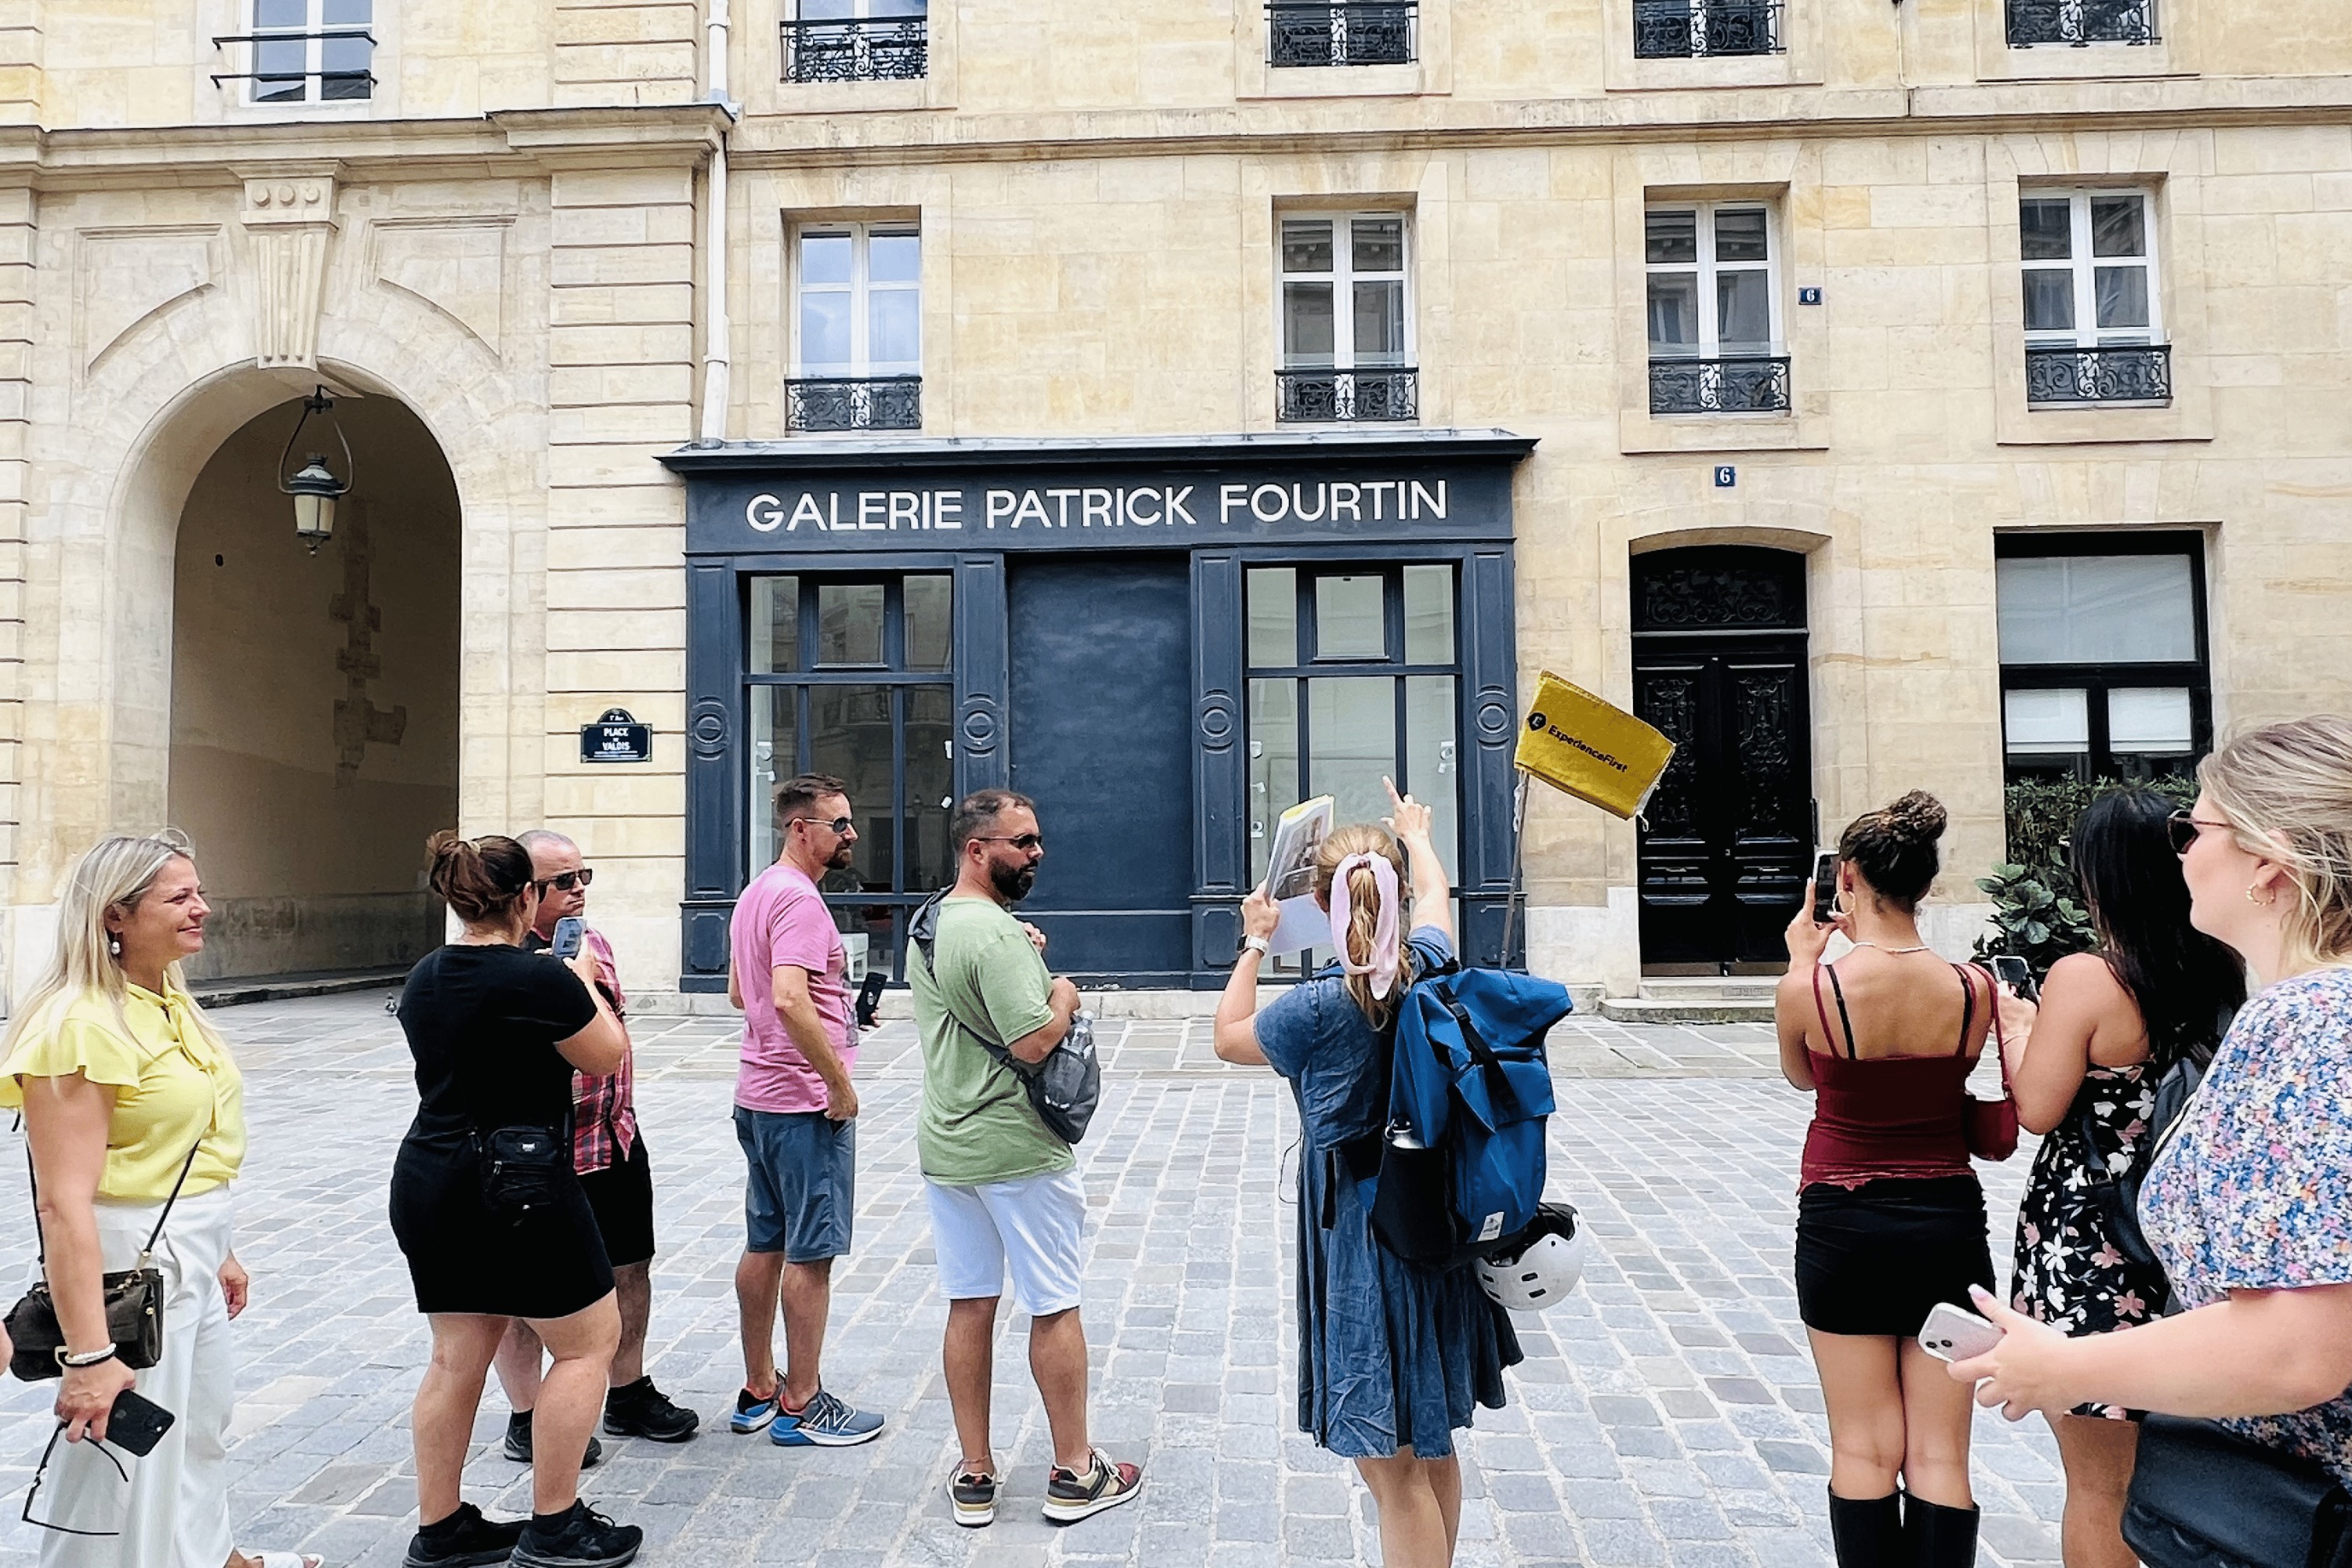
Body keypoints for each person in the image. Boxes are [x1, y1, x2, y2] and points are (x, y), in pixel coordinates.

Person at [1958, 717, 2352, 1497]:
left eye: (2192, 828)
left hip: (2311, 1495)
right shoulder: (2272, 998)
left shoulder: (2309, 1018)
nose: (2181, 853)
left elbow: (2300, 1345)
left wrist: (2063, 1363)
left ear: (2268, 862)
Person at [1210, 779, 1519, 1568]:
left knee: (1392, 1465)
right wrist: (1415, 833)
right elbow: (1441, 904)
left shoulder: (1315, 1007)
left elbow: (1227, 1036)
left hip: (1361, 1236)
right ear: (1399, 894)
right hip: (1433, 1224)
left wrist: (1254, 939)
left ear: (1321, 901)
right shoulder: (1435, 967)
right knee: (1434, 1441)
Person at [0, 833, 314, 1568]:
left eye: (198, 891)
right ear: (116, 915)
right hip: (127, 1253)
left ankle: (208, 1556)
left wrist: (219, 1247)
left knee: (196, 1425)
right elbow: (63, 1205)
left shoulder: (164, 998)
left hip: (185, 1246)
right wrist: (90, 1355)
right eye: (180, 897)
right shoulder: (80, 1021)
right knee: (123, 1455)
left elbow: (186, 1144)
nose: (203, 908)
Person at [1996, 788, 2244, 1568]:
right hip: (2190, 1233)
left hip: (2090, 1237)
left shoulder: (2088, 977)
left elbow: (2035, 1107)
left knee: (2100, 1486)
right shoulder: (2229, 966)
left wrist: (2019, 1029)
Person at [387, 832, 641, 1568]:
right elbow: (605, 1055)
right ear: (526, 898)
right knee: (589, 1341)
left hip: (432, 1174)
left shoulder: (428, 974)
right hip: (521, 1179)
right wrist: (583, 979)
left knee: (455, 1355)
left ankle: (442, 1529)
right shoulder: (539, 978)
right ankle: (556, 1522)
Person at [909, 789, 1143, 1530]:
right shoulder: (993, 935)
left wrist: (1024, 958)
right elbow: (1033, 1041)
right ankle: (1076, 1472)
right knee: (1054, 1302)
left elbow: (975, 992)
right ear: (977, 850)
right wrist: (1065, 992)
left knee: (969, 1302)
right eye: (1020, 842)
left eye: (1037, 840)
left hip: (949, 1144)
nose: (1035, 853)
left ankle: (975, 1473)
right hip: (1017, 1146)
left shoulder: (934, 920)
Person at [1773, 791, 1996, 1568]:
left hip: (1844, 1227)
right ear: (1925, 884)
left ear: (1851, 877)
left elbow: (1805, 1077)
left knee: (1864, 1447)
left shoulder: (1815, 988)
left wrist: (1806, 959)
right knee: (1941, 1455)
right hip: (1948, 1225)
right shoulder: (1975, 988)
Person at [492, 830, 699, 1465]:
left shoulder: (592, 943)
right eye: (564, 882)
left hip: (611, 1135)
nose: (579, 890)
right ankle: (529, 1415)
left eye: (585, 876)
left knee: (630, 1267)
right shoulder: (504, 961)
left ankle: (626, 1389)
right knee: (525, 1291)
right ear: (525, 892)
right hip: (540, 1155)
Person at [723, 775, 884, 1446]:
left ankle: (758, 1385)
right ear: (800, 828)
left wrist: (836, 1014)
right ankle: (802, 1402)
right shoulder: (800, 902)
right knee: (810, 1255)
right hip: (801, 1104)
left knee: (766, 1242)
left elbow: (743, 993)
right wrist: (836, 1084)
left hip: (757, 1096)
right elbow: (788, 997)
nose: (849, 835)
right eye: (838, 824)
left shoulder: (757, 891)